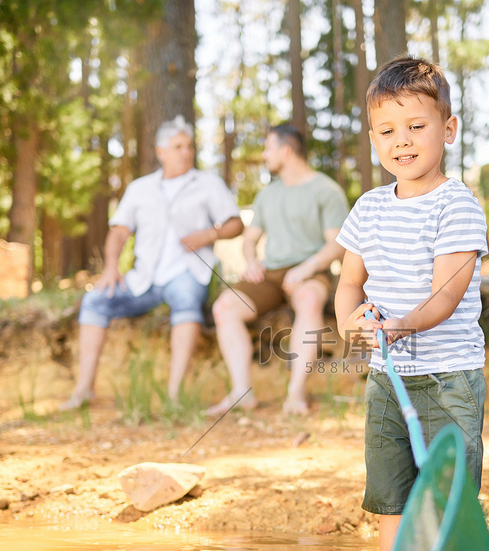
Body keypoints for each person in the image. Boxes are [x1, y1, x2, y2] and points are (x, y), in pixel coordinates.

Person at [334, 56, 488, 551]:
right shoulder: (369, 207)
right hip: (387, 380)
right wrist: (347, 321)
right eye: (387, 131)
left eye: (416, 126)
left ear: (447, 130)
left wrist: (399, 324)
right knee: (391, 496)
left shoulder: (457, 206)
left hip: (448, 380)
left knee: (448, 495)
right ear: (374, 140)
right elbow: (349, 283)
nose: (402, 140)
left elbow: (445, 295)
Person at [60, 116, 243, 410]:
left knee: (186, 304)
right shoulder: (140, 188)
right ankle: (84, 389)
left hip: (187, 273)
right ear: (161, 152)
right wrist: (110, 267)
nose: (186, 152)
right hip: (143, 277)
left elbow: (236, 224)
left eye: (189, 146)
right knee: (94, 301)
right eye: (178, 146)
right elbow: (119, 231)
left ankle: (173, 395)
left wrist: (209, 234)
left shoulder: (208, 184)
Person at [207, 123, 350, 416]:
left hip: (310, 272)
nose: (264, 154)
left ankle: (295, 393)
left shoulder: (326, 190)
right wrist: (251, 262)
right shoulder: (267, 194)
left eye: (269, 148)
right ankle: (241, 393)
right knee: (224, 308)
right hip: (270, 275)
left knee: (309, 301)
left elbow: (336, 244)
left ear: (286, 150)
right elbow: (250, 239)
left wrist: (305, 268)